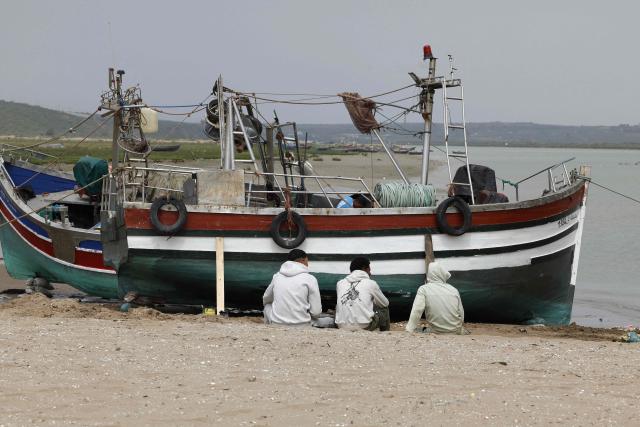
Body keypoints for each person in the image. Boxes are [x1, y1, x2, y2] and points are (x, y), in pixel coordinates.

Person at [263, 249, 322, 326]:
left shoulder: (277, 276)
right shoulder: (310, 279)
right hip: (302, 324)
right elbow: (316, 312)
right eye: (307, 262)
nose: (308, 265)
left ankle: (269, 327)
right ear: (303, 260)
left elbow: (266, 299)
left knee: (267, 306)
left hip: (277, 323)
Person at [405, 262, 466, 334]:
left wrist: (410, 329)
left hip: (436, 331)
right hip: (456, 330)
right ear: (442, 274)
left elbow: (417, 310)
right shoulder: (454, 290)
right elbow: (461, 313)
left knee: (420, 330)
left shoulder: (424, 289)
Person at [335, 257, 390, 331]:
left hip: (341, 326)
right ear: (365, 268)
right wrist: (373, 302)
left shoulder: (340, 283)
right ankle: (385, 333)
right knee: (384, 308)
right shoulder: (371, 283)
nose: (370, 273)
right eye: (369, 270)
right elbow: (385, 303)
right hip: (364, 326)